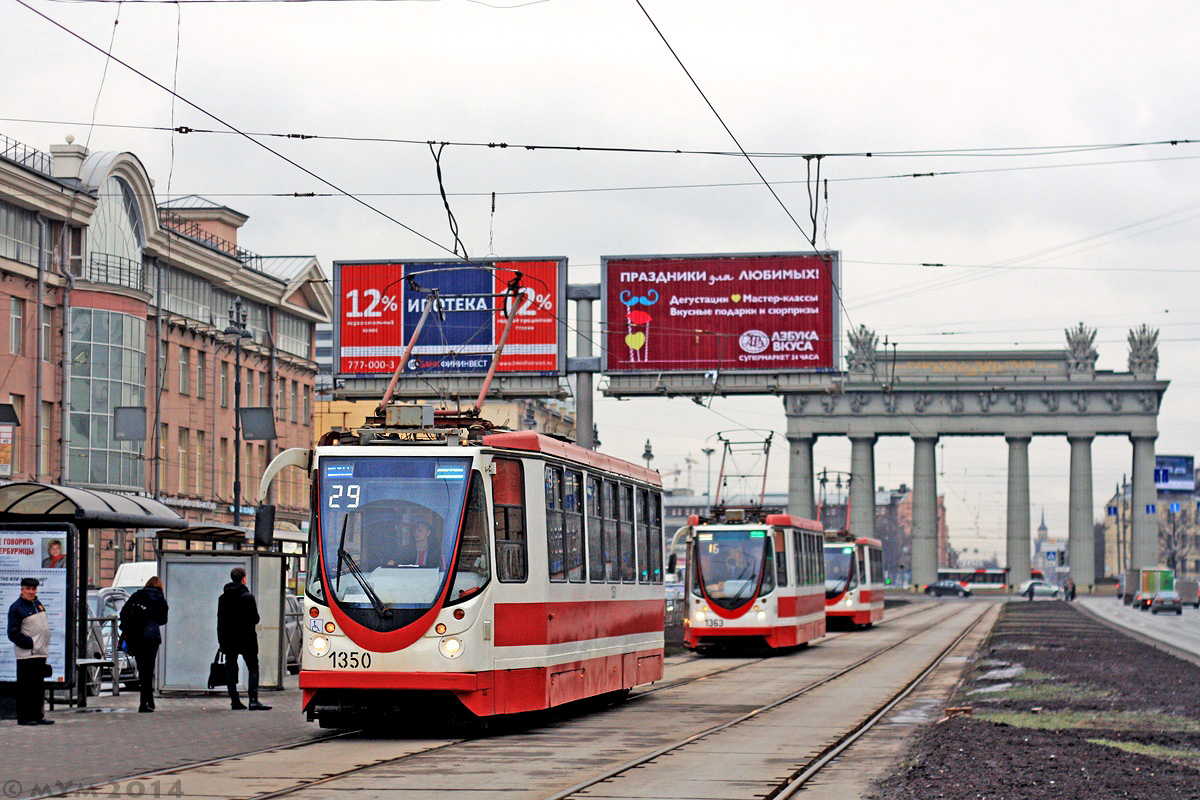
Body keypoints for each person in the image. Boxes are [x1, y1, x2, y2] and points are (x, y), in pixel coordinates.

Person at [217, 567, 271, 711]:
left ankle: (235, 700)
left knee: (230, 668)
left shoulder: (223, 598)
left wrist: (221, 641)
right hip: (246, 638)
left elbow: (220, 621)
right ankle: (253, 700)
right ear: (243, 579)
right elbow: (255, 618)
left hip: (228, 639)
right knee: (253, 667)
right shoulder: (247, 597)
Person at [6, 578, 54, 726]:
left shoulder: (37, 604)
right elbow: (13, 633)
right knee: (25, 687)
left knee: (38, 688)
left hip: (40, 653)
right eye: (28, 589)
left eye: (33, 589)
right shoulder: (17, 608)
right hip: (27, 654)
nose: (31, 592)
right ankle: (24, 717)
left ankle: (37, 715)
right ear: (22, 589)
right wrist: (29, 643)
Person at [122, 576, 169, 713]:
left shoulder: (137, 596)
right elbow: (163, 620)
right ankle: (147, 702)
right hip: (153, 637)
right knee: (149, 669)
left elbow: (124, 613)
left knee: (142, 670)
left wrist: (129, 627)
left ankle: (146, 702)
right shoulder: (161, 600)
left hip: (137, 637)